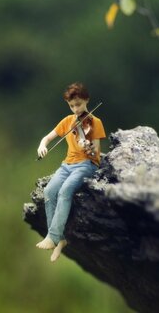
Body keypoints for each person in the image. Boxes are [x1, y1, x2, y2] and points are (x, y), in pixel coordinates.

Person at [36, 82, 106, 262]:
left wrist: (88, 146)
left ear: (86, 101)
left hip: (86, 165)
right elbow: (48, 137)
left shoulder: (95, 122)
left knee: (65, 190)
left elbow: (96, 153)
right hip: (67, 165)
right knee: (49, 191)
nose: (76, 109)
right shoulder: (68, 121)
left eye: (79, 105)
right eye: (72, 106)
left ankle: (53, 236)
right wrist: (42, 146)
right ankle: (60, 239)